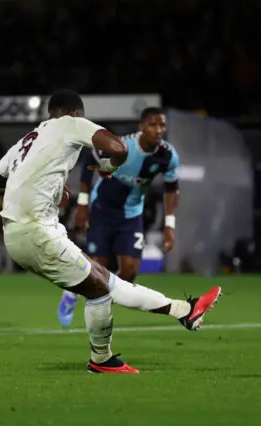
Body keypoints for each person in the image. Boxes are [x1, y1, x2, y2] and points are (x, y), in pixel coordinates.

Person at [0, 90, 220, 374]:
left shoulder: (27, 140)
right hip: (36, 232)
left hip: (21, 232)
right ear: (77, 113)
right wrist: (108, 165)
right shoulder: (71, 123)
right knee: (102, 289)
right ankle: (104, 358)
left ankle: (183, 311)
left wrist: (46, 187)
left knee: (106, 283)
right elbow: (119, 149)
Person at [57, 107, 180, 327]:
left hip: (131, 216)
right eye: (153, 124)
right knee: (96, 270)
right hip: (102, 211)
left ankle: (98, 305)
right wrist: (83, 205)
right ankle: (72, 292)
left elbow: (172, 189)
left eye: (162, 125)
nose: (158, 130)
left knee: (130, 273)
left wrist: (169, 225)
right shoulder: (121, 146)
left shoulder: (168, 156)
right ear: (141, 127)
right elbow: (89, 164)